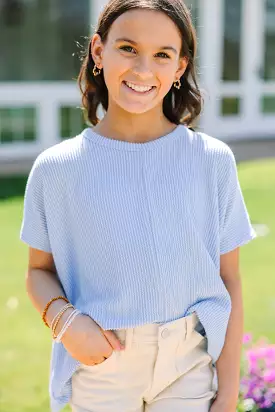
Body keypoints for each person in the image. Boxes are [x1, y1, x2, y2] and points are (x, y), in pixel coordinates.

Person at [20, 1, 257, 411]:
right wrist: (67, 323)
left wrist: (227, 392)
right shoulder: (56, 169)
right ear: (98, 51)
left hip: (190, 366)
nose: (143, 70)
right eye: (128, 48)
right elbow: (38, 273)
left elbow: (229, 281)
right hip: (102, 367)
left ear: (180, 67)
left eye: (162, 55)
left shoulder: (212, 161)